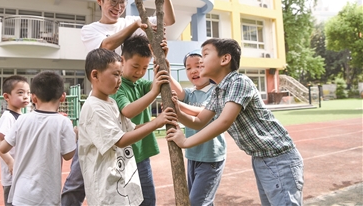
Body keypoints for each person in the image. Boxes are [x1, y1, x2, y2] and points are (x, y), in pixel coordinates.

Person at [62, 0, 176, 205]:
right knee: (80, 176)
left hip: (119, 109)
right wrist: (135, 24)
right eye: (112, 0)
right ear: (99, 0)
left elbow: (166, 21)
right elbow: (105, 48)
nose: (118, 7)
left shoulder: (131, 21)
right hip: (102, 103)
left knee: (126, 167)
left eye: (123, 2)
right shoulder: (91, 30)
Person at [166, 38, 304, 206]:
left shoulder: (239, 82)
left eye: (206, 55)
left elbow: (224, 121)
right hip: (260, 158)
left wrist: (185, 142)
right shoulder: (218, 92)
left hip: (279, 158)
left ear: (225, 59)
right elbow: (199, 120)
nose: (201, 61)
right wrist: (176, 111)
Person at [78, 48, 177, 205]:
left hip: (121, 182)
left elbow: (131, 129)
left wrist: (158, 121)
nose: (119, 79)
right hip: (107, 190)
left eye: (120, 74)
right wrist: (156, 122)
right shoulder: (94, 108)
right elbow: (121, 140)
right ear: (95, 75)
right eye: (116, 74)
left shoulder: (110, 102)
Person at [0, 71, 77, 206]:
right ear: (63, 97)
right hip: (47, 196)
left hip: (21, 195)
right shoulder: (63, 122)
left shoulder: (22, 119)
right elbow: (68, 155)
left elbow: (3, 147)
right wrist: (75, 134)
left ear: (33, 98)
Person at [109, 35, 169, 205]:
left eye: (145, 68)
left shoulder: (140, 84)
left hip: (141, 155)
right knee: (128, 199)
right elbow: (127, 110)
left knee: (148, 199)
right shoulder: (118, 86)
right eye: (135, 66)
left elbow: (160, 84)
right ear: (122, 60)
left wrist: (162, 60)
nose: (140, 72)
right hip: (124, 156)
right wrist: (153, 93)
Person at [167, 50, 226, 206]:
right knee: (203, 201)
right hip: (193, 155)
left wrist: (177, 106)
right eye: (188, 68)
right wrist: (167, 72)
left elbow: (204, 113)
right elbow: (178, 92)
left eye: (199, 66)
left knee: (197, 202)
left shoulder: (216, 91)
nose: (193, 70)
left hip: (210, 157)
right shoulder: (190, 94)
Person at [0, 75, 30, 206]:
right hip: (12, 176)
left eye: (28, 92)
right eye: (20, 93)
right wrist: (10, 162)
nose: (26, 96)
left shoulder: (23, 116)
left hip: (22, 173)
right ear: (6, 97)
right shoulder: (8, 117)